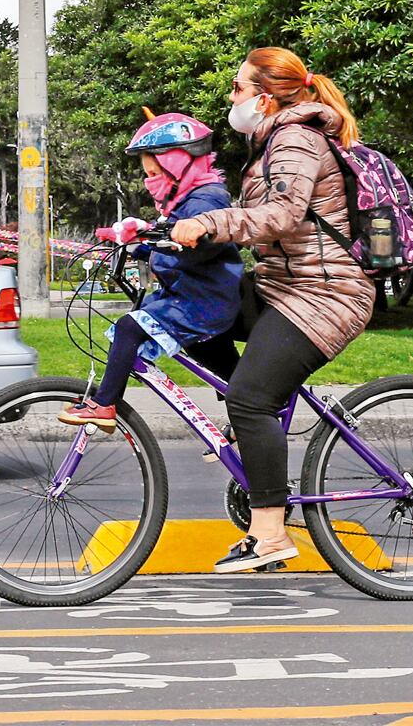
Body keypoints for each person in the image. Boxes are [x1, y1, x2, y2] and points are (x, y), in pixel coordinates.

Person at [170, 48, 376, 573]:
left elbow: (281, 215)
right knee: (195, 316)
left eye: (237, 88)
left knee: (250, 399)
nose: (230, 98)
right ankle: (253, 422)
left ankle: (269, 535)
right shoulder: (269, 142)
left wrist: (212, 223)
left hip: (324, 296)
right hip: (283, 285)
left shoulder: (295, 139)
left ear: (265, 96)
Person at [59, 113, 243, 430]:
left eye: (155, 172)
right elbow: (173, 249)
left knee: (129, 328)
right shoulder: (183, 202)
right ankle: (249, 418)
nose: (149, 181)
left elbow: (194, 244)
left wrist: (150, 232)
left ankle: (105, 404)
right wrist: (136, 245)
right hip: (195, 296)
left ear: (178, 165)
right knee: (226, 371)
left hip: (202, 300)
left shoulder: (207, 199)